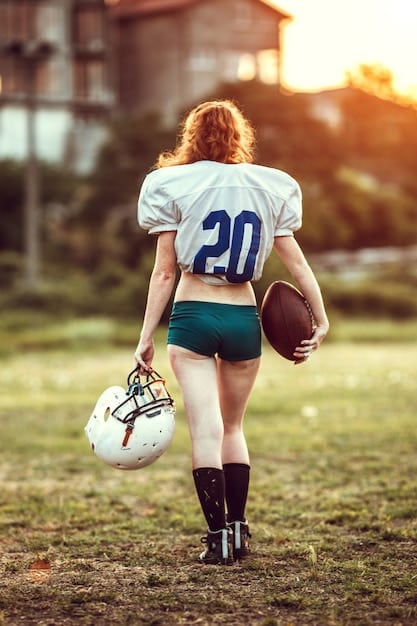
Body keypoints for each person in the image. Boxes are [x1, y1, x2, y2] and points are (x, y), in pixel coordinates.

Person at [134, 100, 329, 565]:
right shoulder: (270, 185)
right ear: (239, 134)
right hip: (244, 318)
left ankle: (217, 538)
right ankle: (239, 531)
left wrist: (145, 336)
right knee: (234, 427)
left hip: (193, 315)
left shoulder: (173, 184)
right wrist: (321, 319)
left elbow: (163, 274)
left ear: (192, 137)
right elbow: (297, 262)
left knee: (206, 430)